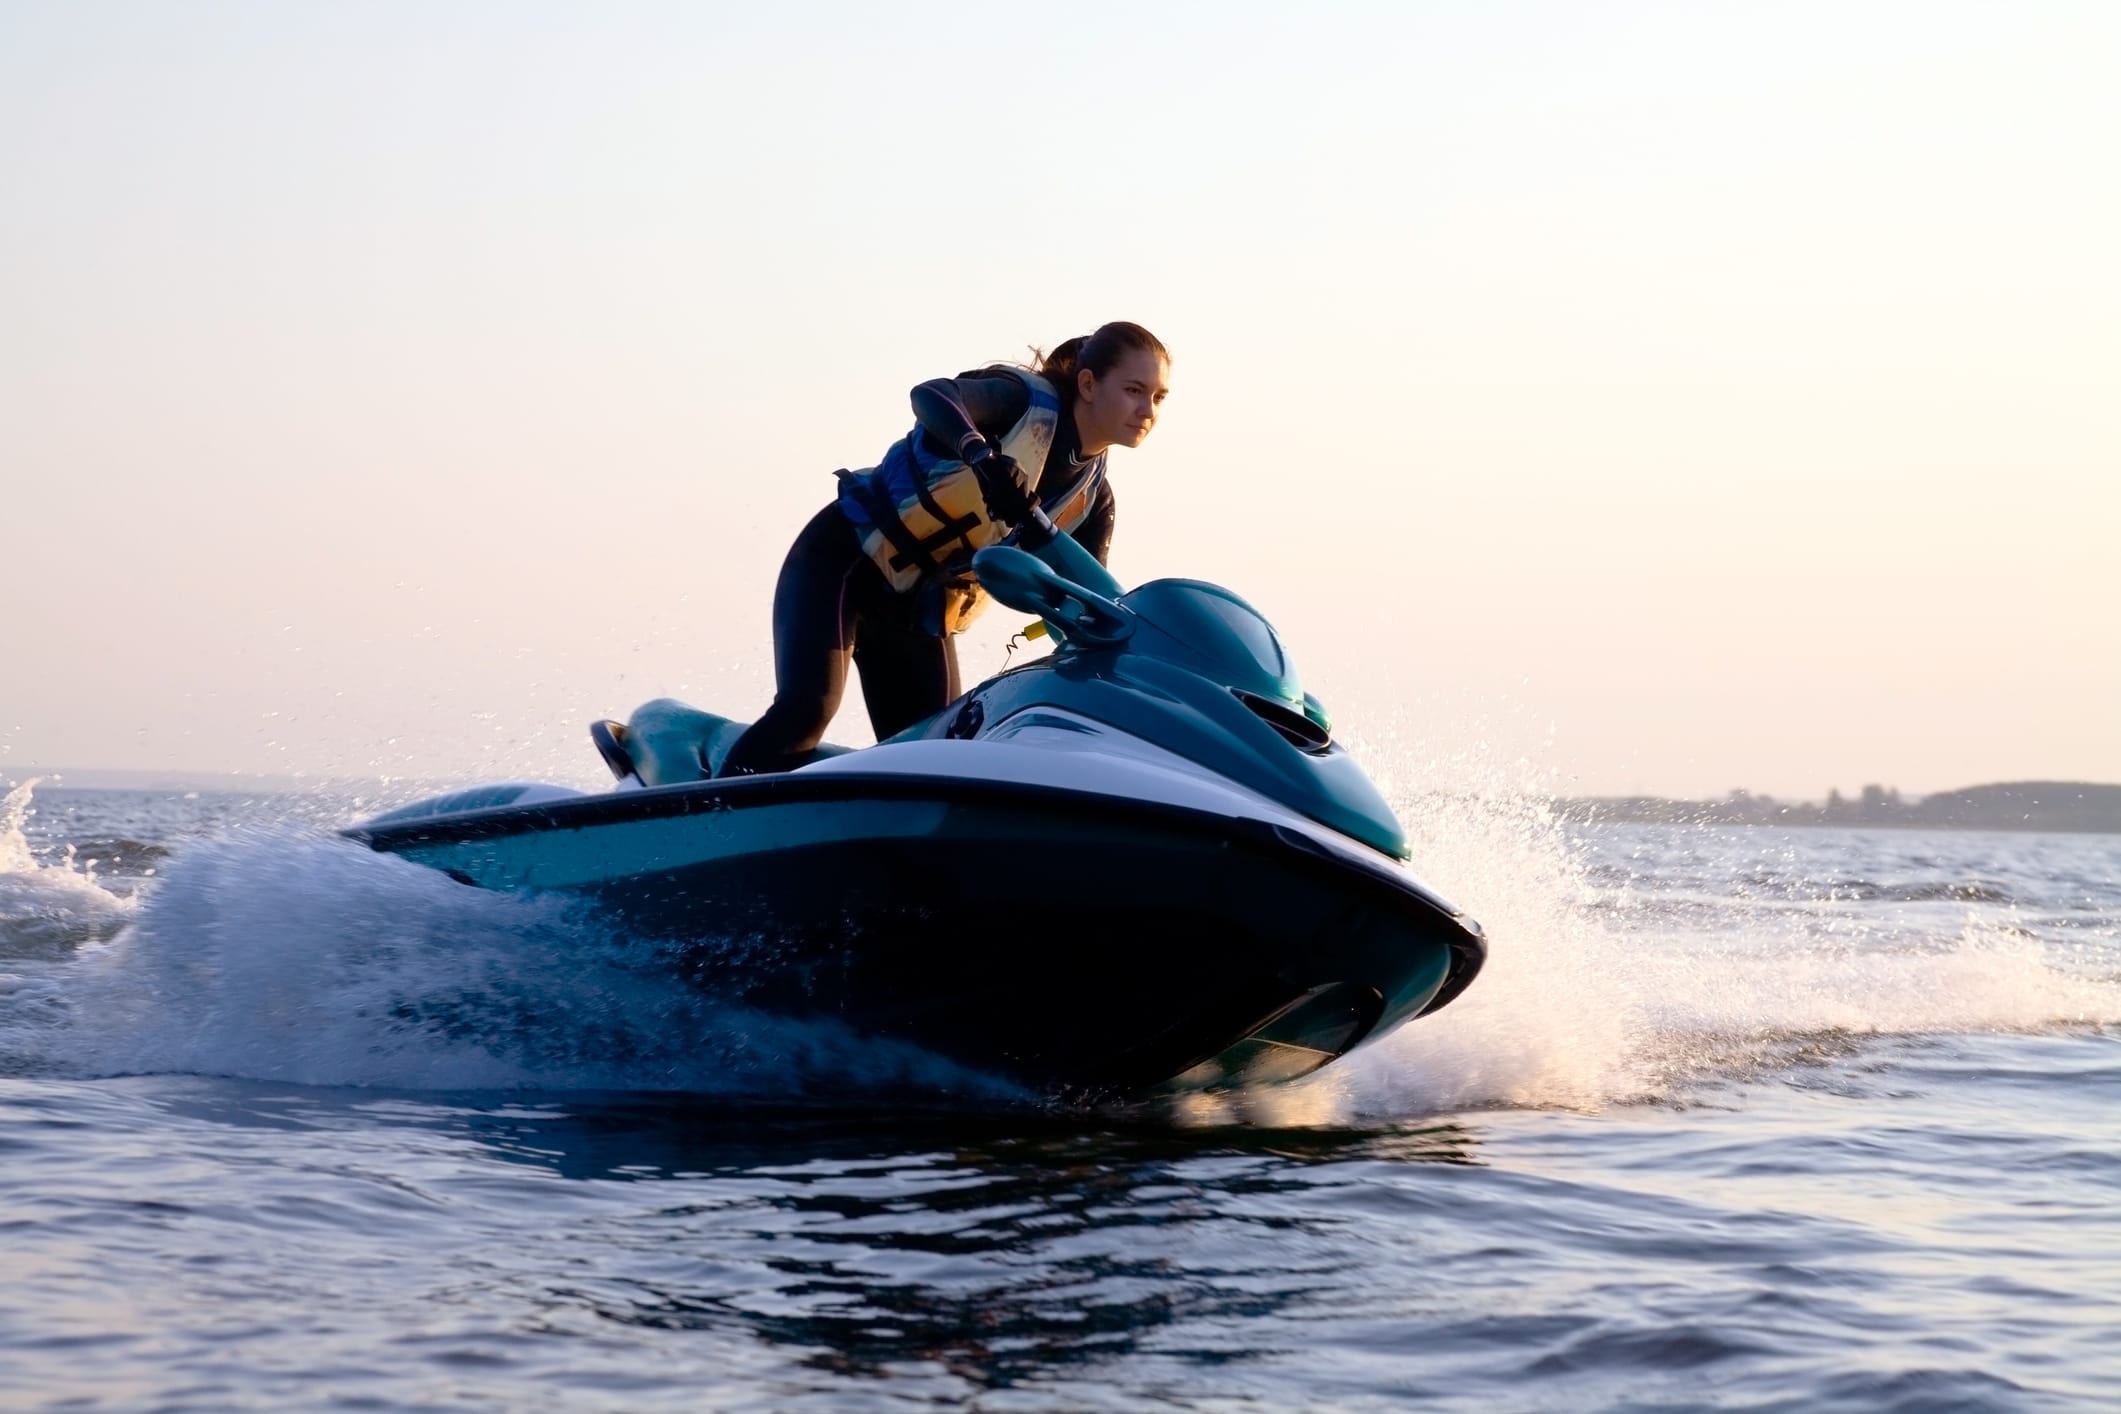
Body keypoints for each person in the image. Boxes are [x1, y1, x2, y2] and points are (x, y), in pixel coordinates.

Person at [716, 321, 1171, 777]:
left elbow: (1088, 606)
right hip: (844, 561)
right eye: (1134, 390)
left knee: (936, 761)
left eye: (1158, 397)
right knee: (805, 712)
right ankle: (701, 820)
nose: (1146, 409)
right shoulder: (1021, 404)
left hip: (917, 612)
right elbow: (930, 395)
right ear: (1088, 384)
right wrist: (981, 457)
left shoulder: (1092, 500)